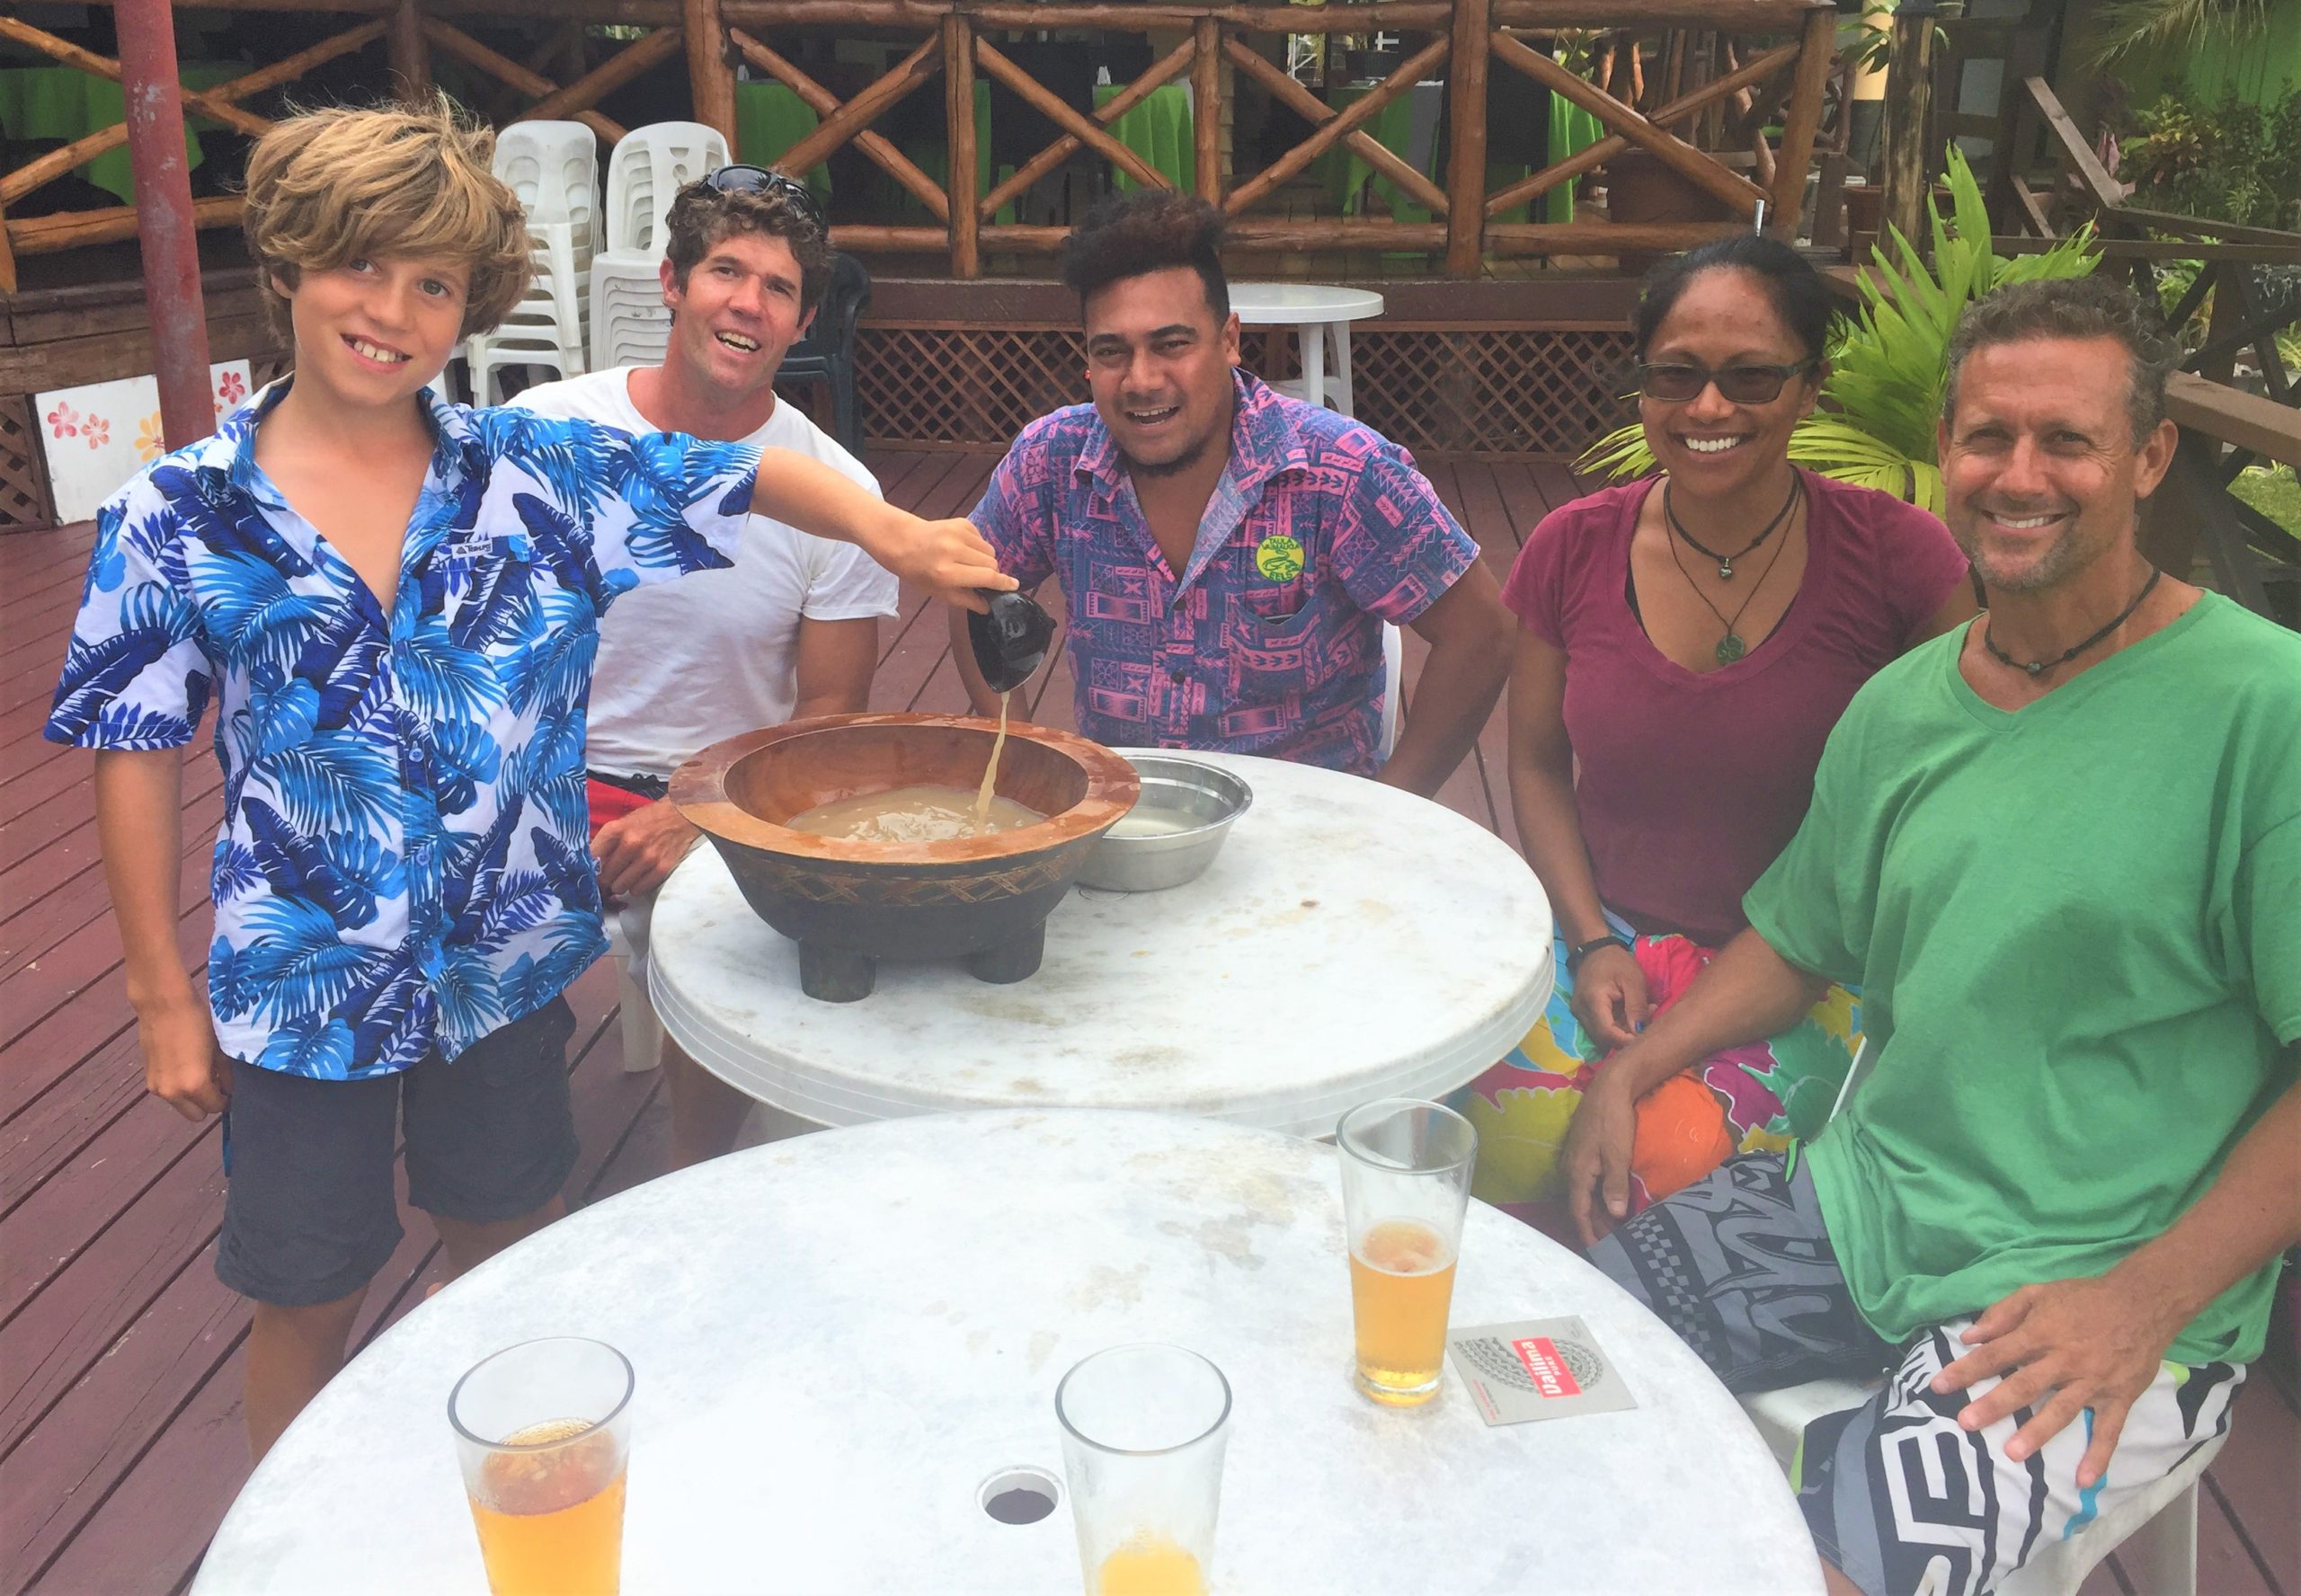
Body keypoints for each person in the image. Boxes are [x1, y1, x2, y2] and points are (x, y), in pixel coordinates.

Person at [42, 99, 1009, 1461]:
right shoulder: (179, 511)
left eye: (433, 284)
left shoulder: (533, 470)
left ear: (470, 310)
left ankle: (512, 1508)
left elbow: (756, 480)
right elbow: (133, 750)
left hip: (503, 962)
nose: (391, 310)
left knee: (508, 1261)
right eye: (359, 266)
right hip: (301, 982)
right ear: (291, 266)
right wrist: (157, 995)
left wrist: (896, 532)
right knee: (306, 1296)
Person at [1561, 277, 2299, 1596]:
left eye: (2065, 440)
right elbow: (1796, 939)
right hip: (1869, 1202)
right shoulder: (1905, 706)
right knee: (1530, 1373)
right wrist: (1629, 1066)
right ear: (1947, 454)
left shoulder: (2265, 711)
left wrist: (2148, 1301)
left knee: (1833, 1576)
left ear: (2148, 457)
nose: (2019, 476)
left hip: (2100, 1280)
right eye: (1986, 438)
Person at [1452, 235, 1975, 1227]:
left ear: (1811, 386)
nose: (1707, 410)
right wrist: (1592, 936)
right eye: (1675, 376)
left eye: (1751, 378)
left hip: (1804, 970)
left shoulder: (1898, 558)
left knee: (1655, 1163)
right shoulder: (1573, 546)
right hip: (1603, 940)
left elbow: (1940, 799)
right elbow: (1532, 760)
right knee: (1457, 1130)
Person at [513, 167, 893, 1168]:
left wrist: (698, 813)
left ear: (801, 319)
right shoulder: (554, 428)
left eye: (777, 288)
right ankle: (500, 1200)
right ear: (672, 281)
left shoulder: (839, 491)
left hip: (730, 790)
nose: (747, 304)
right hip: (544, 775)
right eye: (727, 271)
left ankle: (697, 1180)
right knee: (458, 933)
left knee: (732, 954)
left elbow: (833, 710)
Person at [947, 190, 1512, 794]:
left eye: (1172, 345)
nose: (1140, 380)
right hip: (1129, 819)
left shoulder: (1342, 471)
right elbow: (967, 584)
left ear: (1230, 340)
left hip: (1308, 835)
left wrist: (1395, 806)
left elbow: (1481, 633)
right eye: (1111, 351)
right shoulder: (1051, 460)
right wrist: (1016, 757)